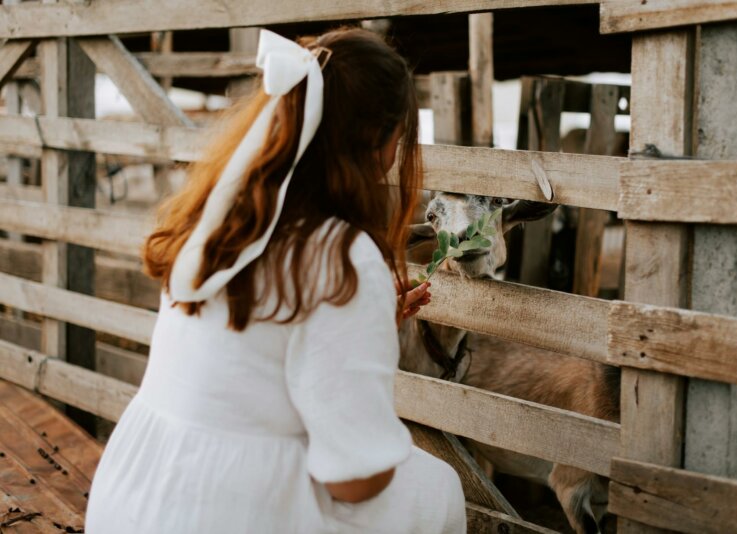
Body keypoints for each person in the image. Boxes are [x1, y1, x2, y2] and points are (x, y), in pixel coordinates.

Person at [85, 27, 466, 533]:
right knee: (437, 488)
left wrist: (366, 322)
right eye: (399, 138)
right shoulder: (342, 257)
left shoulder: (218, 221)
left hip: (133, 498)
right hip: (225, 511)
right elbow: (354, 479)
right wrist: (361, 322)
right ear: (378, 139)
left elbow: (251, 358)